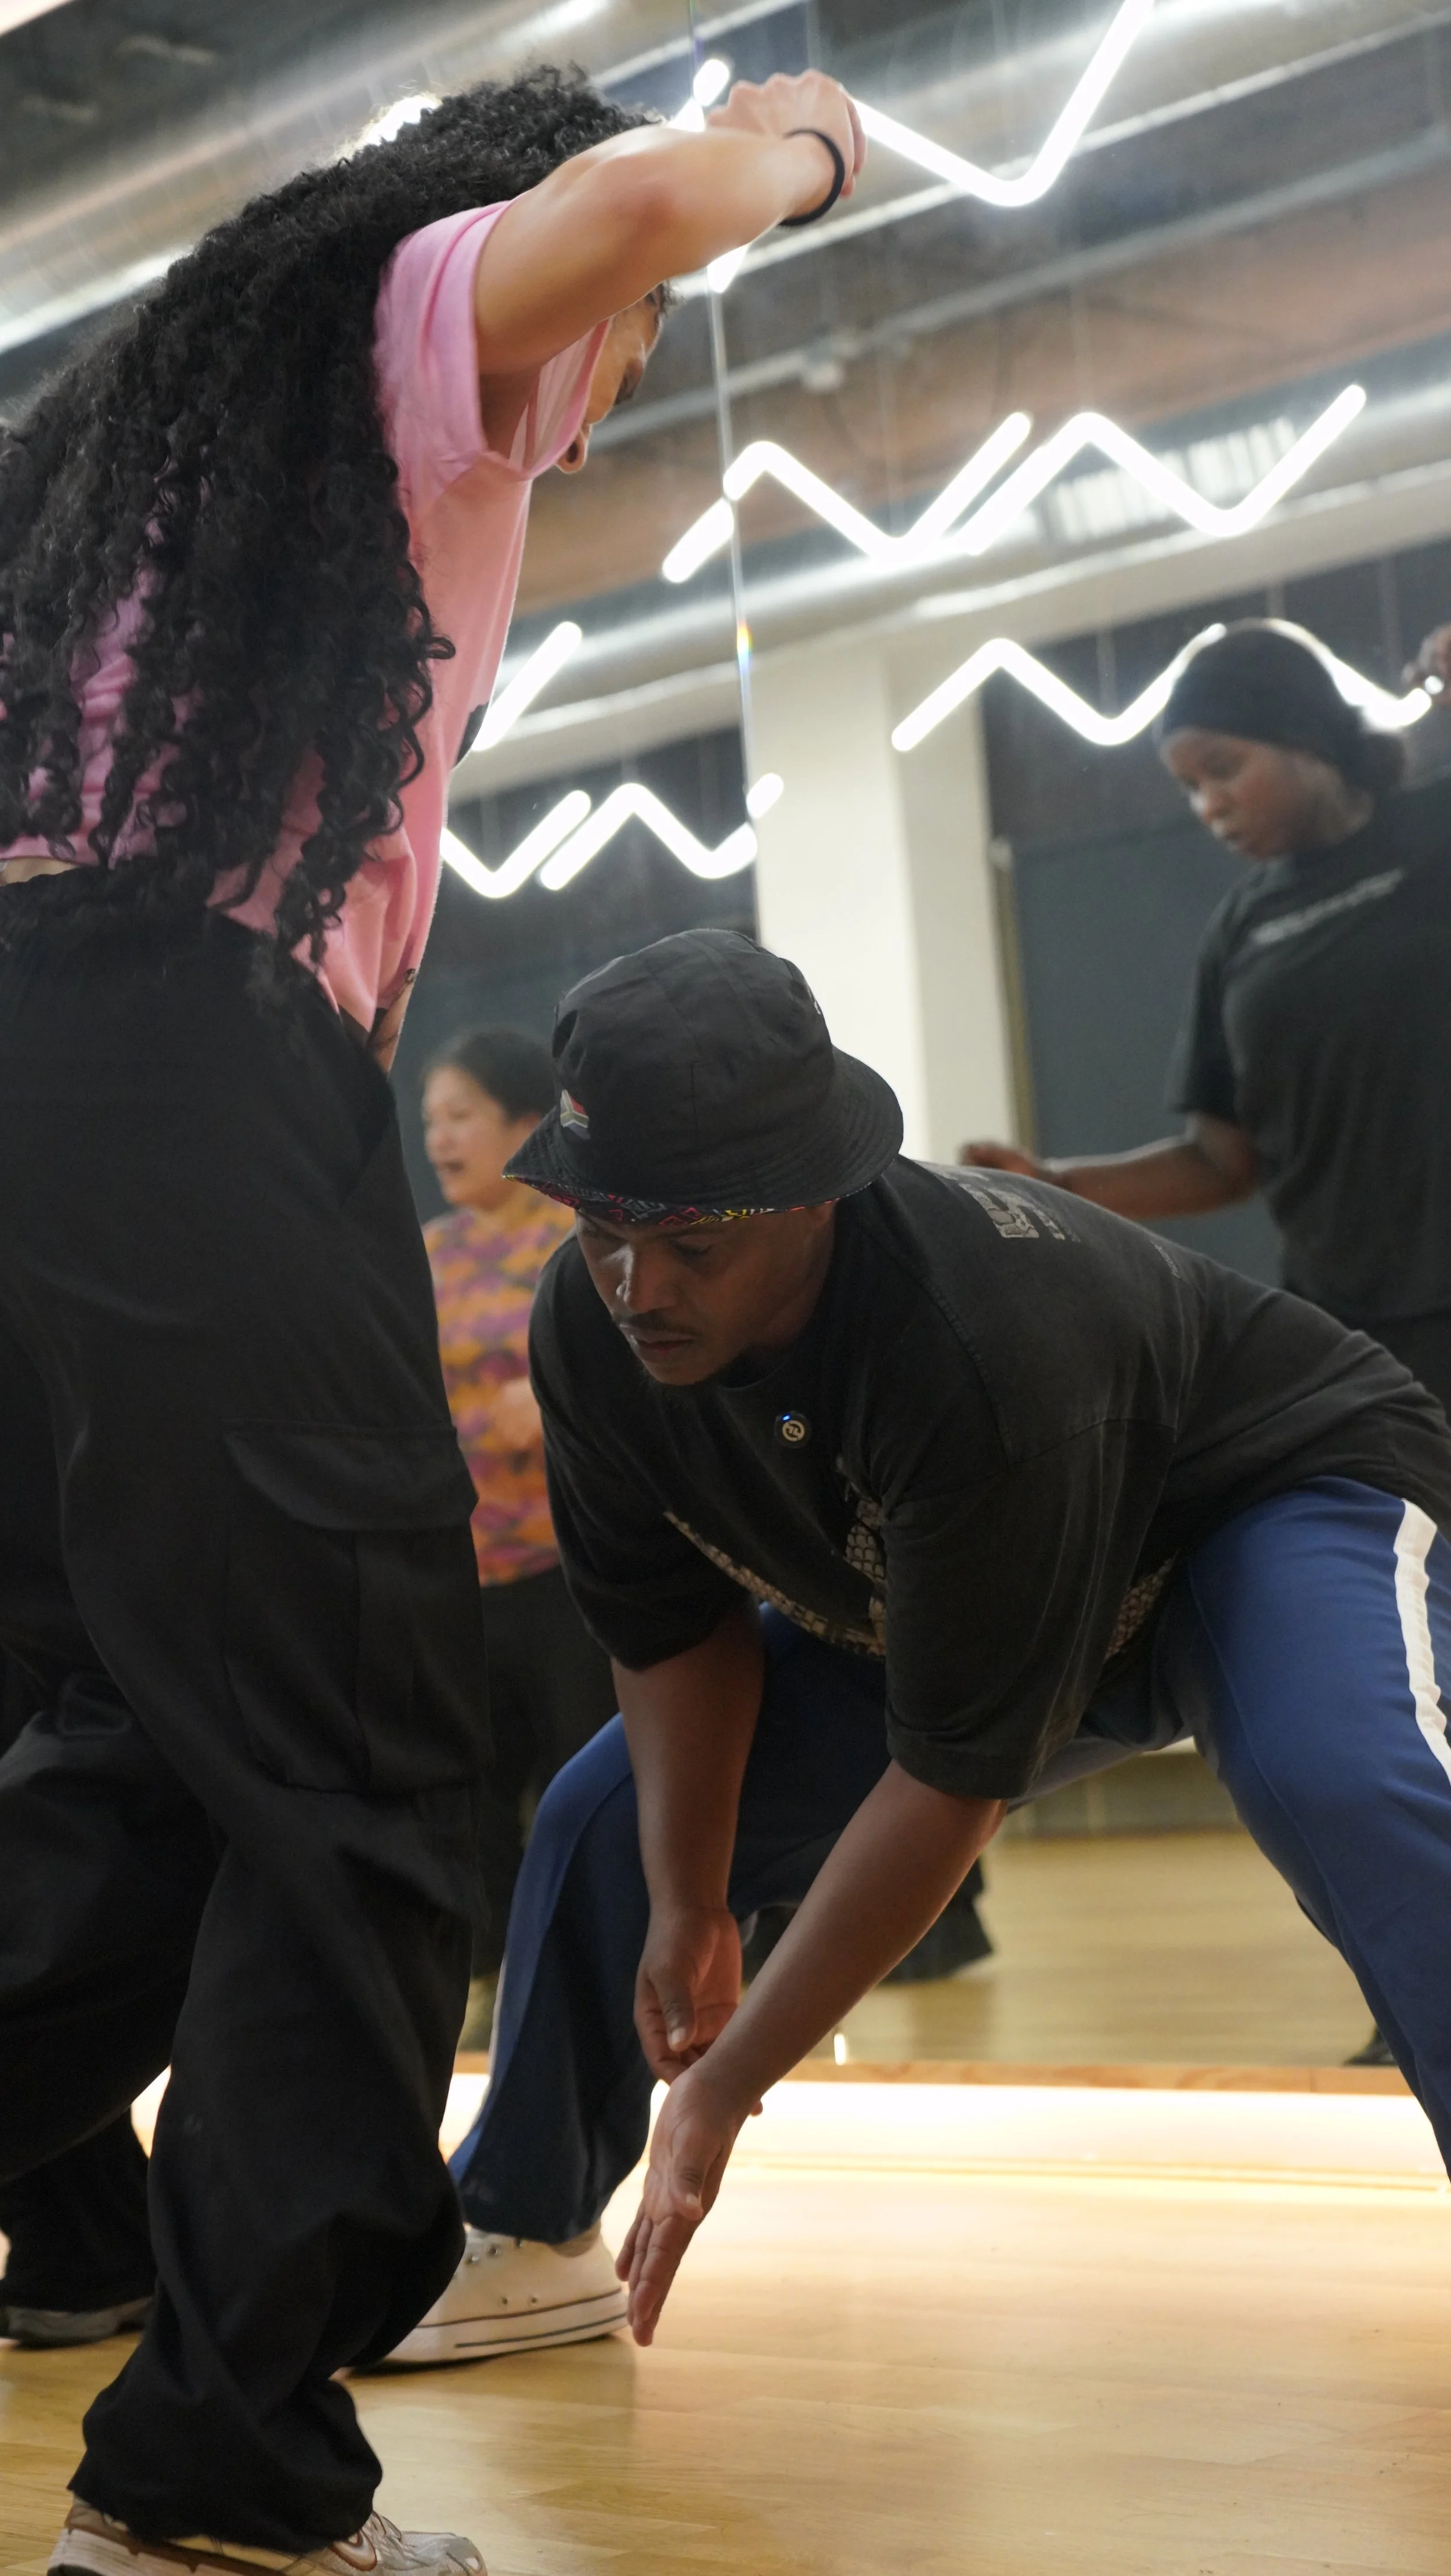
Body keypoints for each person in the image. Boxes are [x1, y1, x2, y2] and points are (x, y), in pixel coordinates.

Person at [0, 63, 867, 2576]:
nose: (575, 413)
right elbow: (645, 200)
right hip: (178, 1058)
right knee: (374, 1778)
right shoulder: (404, 320)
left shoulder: (141, 477)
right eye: (587, 367)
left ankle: (221, 2458)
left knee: (166, 1759)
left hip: (71, 1078)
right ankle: (220, 2484)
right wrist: (802, 142)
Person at [400, 924, 1451, 2364]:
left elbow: (952, 1775)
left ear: (812, 1202)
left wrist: (729, 2080)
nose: (637, 1288)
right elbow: (670, 1627)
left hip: (1245, 1508)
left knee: (1344, 1779)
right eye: (603, 1233)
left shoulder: (975, 1335)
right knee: (602, 1825)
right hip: (969, 1582)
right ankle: (526, 2227)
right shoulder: (591, 1327)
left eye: (690, 1244)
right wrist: (693, 1900)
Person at [963, 617, 1451, 1414]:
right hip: (1351, 1331)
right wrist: (1053, 1184)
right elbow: (1222, 1161)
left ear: (1306, 739)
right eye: (1190, 785)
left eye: (1224, 769)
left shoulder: (1436, 833)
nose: (1207, 803)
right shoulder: (1241, 930)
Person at [421, 1026, 616, 1988]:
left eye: (460, 1116)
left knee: (589, 1786)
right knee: (473, 1802)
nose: (439, 1140)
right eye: (430, 1122)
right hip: (463, 1576)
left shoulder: (584, 1237)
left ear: (523, 1123)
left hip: (572, 1567)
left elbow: (652, 1371)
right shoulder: (424, 1253)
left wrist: (552, 1396)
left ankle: (596, 1974)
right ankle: (484, 1992)